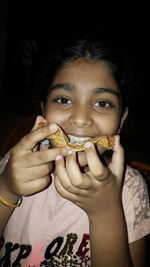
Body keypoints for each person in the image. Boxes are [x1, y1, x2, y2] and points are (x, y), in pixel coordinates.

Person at [0, 36, 150, 267]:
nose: (80, 119)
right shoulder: (15, 165)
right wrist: (7, 189)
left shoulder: (129, 190)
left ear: (121, 120)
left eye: (102, 103)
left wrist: (105, 213)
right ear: (43, 110)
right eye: (63, 99)